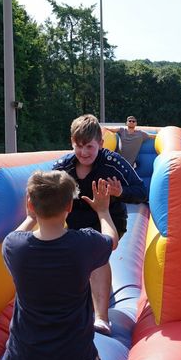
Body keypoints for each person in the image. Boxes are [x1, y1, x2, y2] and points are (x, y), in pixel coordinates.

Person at [0, 171, 118, 360]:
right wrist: (103, 211)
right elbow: (112, 239)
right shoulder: (84, 244)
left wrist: (31, 215)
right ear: (69, 206)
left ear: (30, 204)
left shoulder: (15, 247)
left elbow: (17, 233)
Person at [53, 114, 147, 335]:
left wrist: (120, 192)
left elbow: (142, 192)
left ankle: (102, 318)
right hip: (75, 224)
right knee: (76, 258)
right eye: (79, 146)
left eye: (90, 147)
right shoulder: (63, 167)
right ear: (72, 143)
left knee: (96, 252)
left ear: (101, 144)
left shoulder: (113, 163)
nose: (84, 152)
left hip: (109, 220)